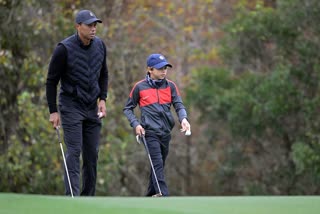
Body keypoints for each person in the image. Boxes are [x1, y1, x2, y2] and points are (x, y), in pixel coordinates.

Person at [46, 9, 108, 196]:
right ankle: (72, 198)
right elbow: (51, 81)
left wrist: (103, 98)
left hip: (91, 107)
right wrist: (53, 111)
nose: (93, 28)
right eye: (89, 25)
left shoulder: (100, 46)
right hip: (71, 105)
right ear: (78, 26)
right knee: (74, 151)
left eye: (95, 25)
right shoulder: (63, 49)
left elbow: (103, 74)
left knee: (92, 155)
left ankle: (88, 199)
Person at [123, 53, 191, 197]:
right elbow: (127, 108)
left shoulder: (171, 86)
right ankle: (163, 195)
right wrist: (136, 124)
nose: (164, 71)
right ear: (150, 69)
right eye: (160, 68)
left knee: (157, 166)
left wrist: (183, 119)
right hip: (148, 132)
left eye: (165, 68)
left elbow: (179, 105)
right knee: (157, 163)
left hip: (165, 132)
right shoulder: (139, 87)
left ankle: (150, 197)